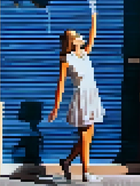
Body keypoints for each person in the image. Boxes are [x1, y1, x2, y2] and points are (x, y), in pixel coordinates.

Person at [48, 12, 104, 183]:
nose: (82, 37)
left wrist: (94, 19)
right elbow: (61, 86)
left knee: (87, 136)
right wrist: (55, 109)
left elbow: (92, 38)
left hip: (92, 95)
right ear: (73, 42)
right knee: (85, 137)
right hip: (82, 98)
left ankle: (66, 161)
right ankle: (86, 173)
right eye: (78, 36)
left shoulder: (85, 54)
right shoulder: (67, 60)